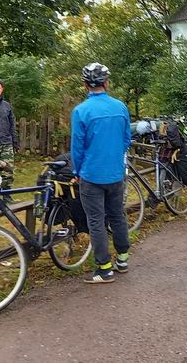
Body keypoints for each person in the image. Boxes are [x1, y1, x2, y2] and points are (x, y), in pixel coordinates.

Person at [70, 62, 132, 284]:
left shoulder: (80, 111)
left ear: (86, 84)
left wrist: (76, 170)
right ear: (106, 83)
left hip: (91, 174)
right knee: (117, 215)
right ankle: (122, 260)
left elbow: (77, 147)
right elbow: (126, 139)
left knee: (96, 220)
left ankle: (104, 268)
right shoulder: (121, 107)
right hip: (116, 173)